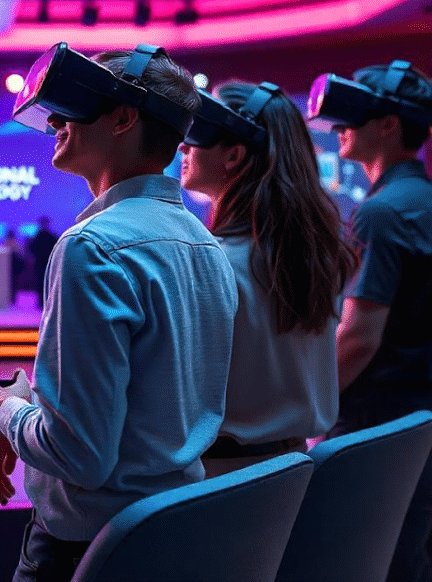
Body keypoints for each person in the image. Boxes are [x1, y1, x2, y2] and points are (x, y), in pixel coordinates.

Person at [0, 43, 238, 582]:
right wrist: (40, 403)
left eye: (73, 104)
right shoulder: (206, 243)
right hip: (175, 532)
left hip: (88, 550)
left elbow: (80, 456)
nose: (53, 118)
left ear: (123, 117)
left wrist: (7, 412)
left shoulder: (92, 247)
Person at [179, 82, 359, 477]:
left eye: (197, 136)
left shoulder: (210, 260)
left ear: (234, 155)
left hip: (215, 481)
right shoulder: (317, 255)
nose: (181, 147)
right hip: (290, 473)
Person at [310, 60, 432, 582]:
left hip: (376, 425)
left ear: (389, 125)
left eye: (356, 116)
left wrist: (309, 413)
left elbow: (360, 337)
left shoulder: (382, 213)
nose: (341, 127)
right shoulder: (420, 202)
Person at [26, 216, 58, 309]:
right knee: (45, 282)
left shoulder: (40, 236)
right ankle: (44, 302)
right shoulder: (49, 236)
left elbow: (31, 248)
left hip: (42, 262)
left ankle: (43, 302)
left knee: (43, 282)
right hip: (45, 262)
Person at [4, 227, 28, 305]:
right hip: (14, 267)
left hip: (9, 267)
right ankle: (12, 298)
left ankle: (11, 298)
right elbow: (21, 254)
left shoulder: (6, 243)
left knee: (10, 283)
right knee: (13, 283)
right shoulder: (15, 243)